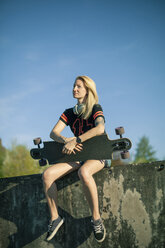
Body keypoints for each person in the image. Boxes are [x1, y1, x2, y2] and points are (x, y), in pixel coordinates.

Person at [43, 75, 106, 243]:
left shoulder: (95, 108)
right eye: (74, 86)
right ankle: (55, 218)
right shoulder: (69, 112)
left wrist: (77, 139)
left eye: (78, 86)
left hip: (97, 155)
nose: (74, 89)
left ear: (88, 90)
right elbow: (53, 133)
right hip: (78, 156)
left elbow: (100, 128)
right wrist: (67, 141)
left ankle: (97, 219)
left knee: (85, 172)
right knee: (47, 175)